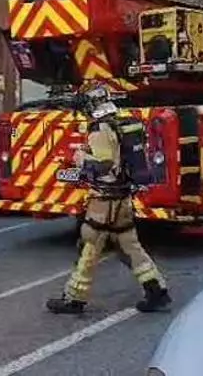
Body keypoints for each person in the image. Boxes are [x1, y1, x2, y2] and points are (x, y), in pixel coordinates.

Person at [46, 84, 171, 315]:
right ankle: (156, 290)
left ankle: (74, 298)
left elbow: (105, 166)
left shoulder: (100, 128)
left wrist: (80, 157)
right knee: (131, 246)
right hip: (122, 199)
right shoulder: (121, 122)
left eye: (84, 106)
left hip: (104, 201)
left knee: (89, 246)